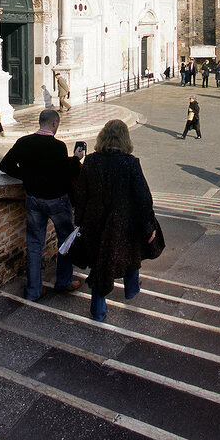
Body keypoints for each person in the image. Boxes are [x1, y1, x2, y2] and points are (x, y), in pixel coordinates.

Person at [75, 119, 157, 322]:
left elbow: (81, 195)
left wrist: (80, 222)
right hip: (123, 221)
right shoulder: (130, 163)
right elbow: (143, 198)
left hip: (95, 221)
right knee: (131, 252)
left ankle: (99, 309)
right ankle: (131, 289)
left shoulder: (91, 161)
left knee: (100, 262)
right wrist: (149, 226)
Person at [0, 108, 82, 300]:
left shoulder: (23, 142)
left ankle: (34, 290)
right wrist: (76, 159)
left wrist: (27, 177)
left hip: (34, 199)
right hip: (57, 200)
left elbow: (5, 165)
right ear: (54, 124)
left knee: (35, 244)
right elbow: (64, 174)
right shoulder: (58, 146)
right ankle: (63, 282)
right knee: (65, 241)